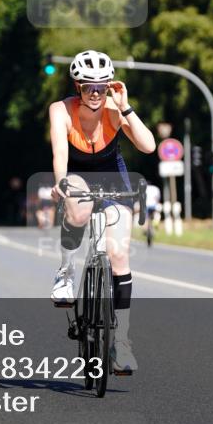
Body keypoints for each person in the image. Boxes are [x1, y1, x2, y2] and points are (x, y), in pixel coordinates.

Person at [48, 49, 156, 374]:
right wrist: (61, 184)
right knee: (78, 212)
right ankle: (65, 272)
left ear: (109, 85)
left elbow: (148, 146)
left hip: (112, 173)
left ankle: (121, 343)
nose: (94, 93)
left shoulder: (113, 108)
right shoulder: (61, 110)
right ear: (77, 86)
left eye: (101, 86)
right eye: (87, 87)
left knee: (119, 254)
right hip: (78, 172)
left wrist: (126, 108)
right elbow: (59, 154)